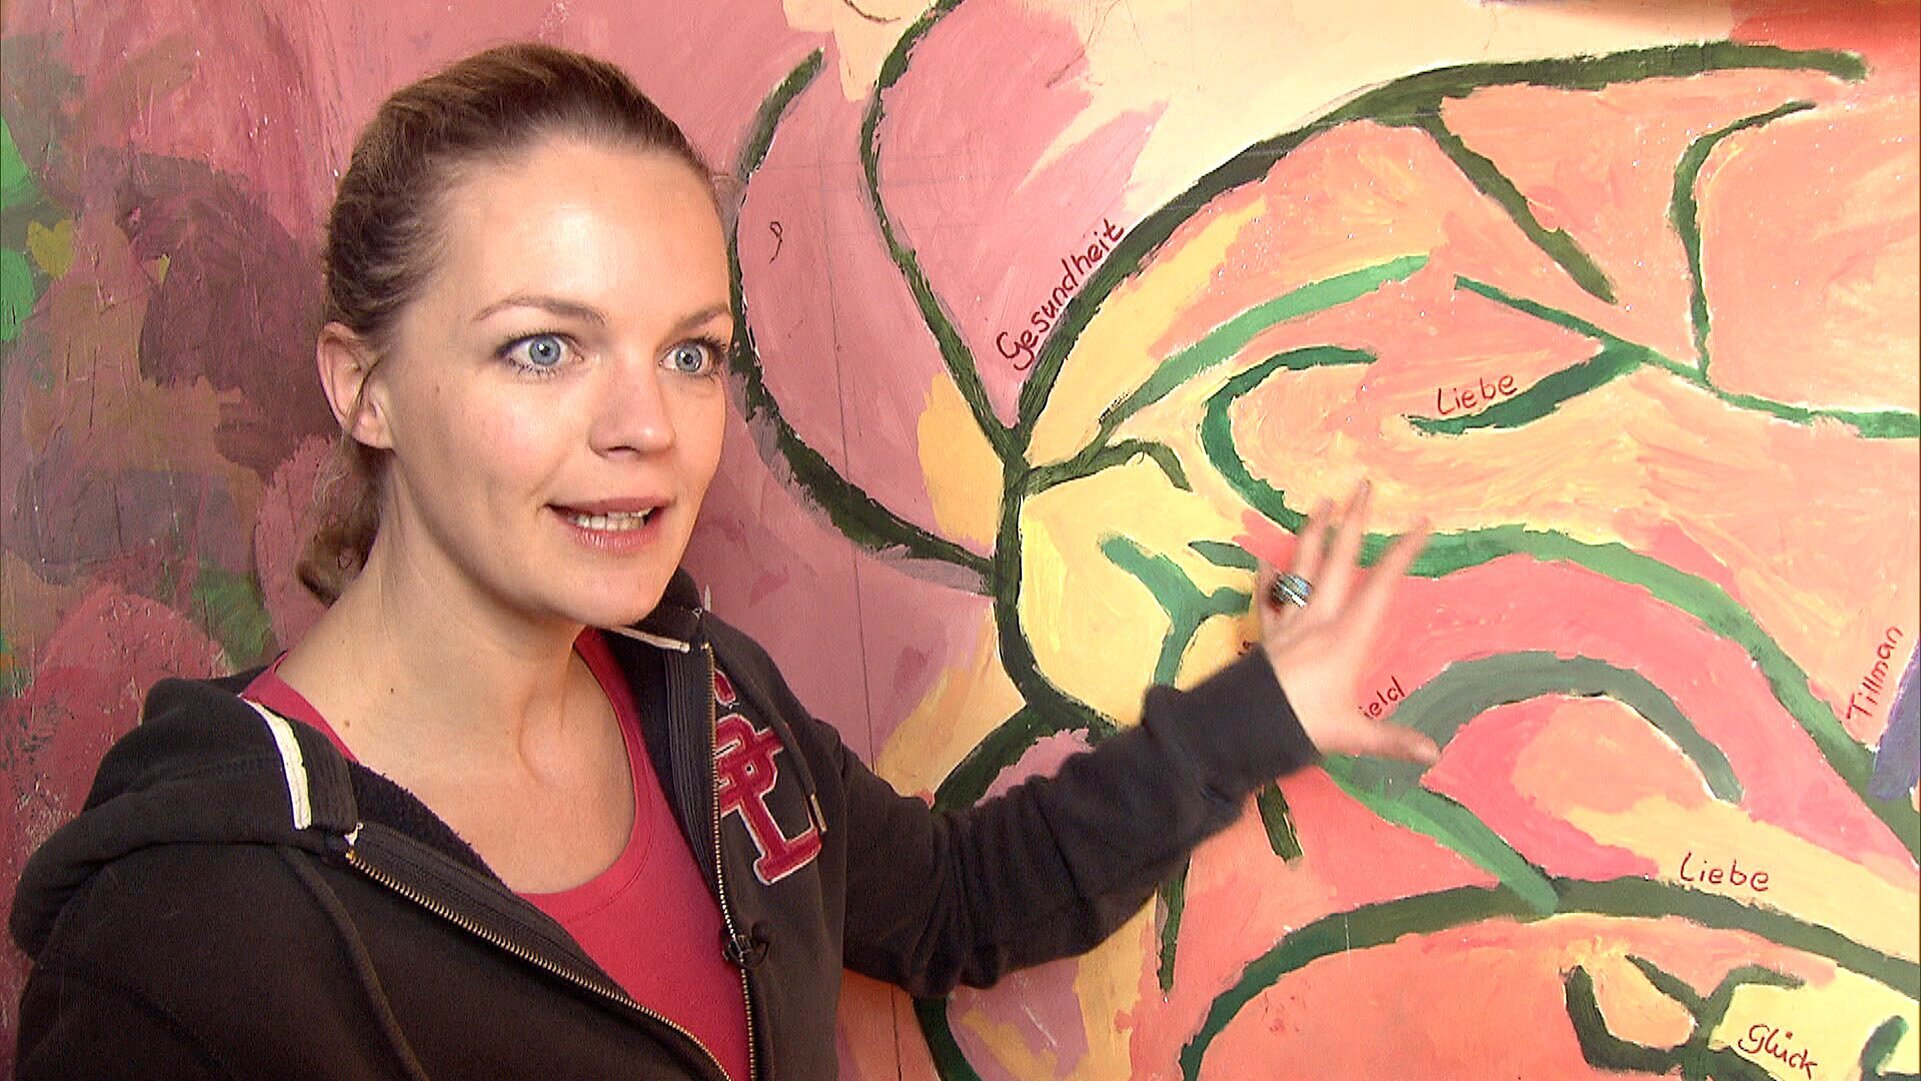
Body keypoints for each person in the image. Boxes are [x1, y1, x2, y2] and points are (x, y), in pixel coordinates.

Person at [9, 43, 1439, 1081]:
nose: (647, 429)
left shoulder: (708, 702)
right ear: (363, 386)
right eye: (544, 348)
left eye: (691, 353)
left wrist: (1262, 711)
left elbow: (959, 900)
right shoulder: (182, 942)